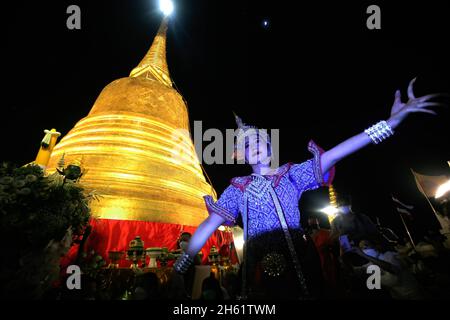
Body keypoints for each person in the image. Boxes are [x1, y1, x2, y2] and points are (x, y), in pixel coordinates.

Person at [173, 78, 446, 299]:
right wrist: (185, 260)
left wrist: (389, 124)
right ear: (239, 156)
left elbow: (339, 152)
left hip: (300, 263)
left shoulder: (292, 175)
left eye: (258, 140)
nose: (253, 145)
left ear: (269, 145)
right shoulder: (237, 190)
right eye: (246, 145)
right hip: (257, 268)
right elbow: (210, 224)